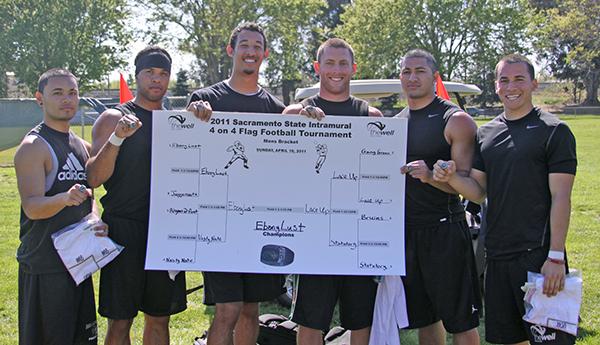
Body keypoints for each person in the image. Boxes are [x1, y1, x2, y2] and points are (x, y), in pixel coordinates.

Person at [433, 54, 577, 345]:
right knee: (509, 340)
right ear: (496, 86)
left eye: (519, 79)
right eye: (504, 80)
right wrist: (450, 178)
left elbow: (561, 197)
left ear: (533, 83)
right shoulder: (486, 134)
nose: (511, 86)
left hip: (539, 256)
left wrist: (555, 257)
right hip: (496, 257)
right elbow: (478, 191)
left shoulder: (555, 131)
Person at [186, 22, 286, 345]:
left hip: (258, 225)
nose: (251, 51)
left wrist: (306, 119)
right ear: (231, 50)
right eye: (244, 44)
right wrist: (190, 118)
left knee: (250, 311)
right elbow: (183, 150)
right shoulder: (205, 100)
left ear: (265, 54)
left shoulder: (274, 108)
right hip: (219, 223)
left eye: (257, 46)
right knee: (227, 308)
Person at [283, 38, 382, 345]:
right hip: (314, 237)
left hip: (357, 235)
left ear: (353, 68)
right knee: (310, 321)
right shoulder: (295, 114)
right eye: (329, 63)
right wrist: (300, 127)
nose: (336, 70)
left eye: (343, 64)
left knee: (360, 320)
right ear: (317, 68)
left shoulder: (371, 117)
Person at [86, 46, 187, 345]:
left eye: (163, 74)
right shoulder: (113, 117)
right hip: (123, 228)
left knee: (159, 319)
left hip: (165, 231)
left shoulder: (177, 124)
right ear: (137, 75)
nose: (156, 80)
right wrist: (118, 137)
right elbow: (94, 177)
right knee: (120, 320)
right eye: (150, 73)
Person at [14, 68, 108, 345]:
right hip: (45, 265)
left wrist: (95, 218)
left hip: (78, 264)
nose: (67, 99)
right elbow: (31, 207)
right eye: (58, 93)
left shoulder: (81, 145)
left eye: (72, 93)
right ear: (39, 99)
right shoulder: (33, 146)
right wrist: (64, 198)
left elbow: (91, 194)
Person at [395, 49, 481, 345]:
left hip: (445, 230)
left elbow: (470, 188)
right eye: (406, 71)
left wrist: (431, 176)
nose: (412, 77)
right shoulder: (396, 122)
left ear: (435, 77)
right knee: (426, 319)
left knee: (460, 321)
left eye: (419, 71)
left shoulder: (456, 120)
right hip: (407, 232)